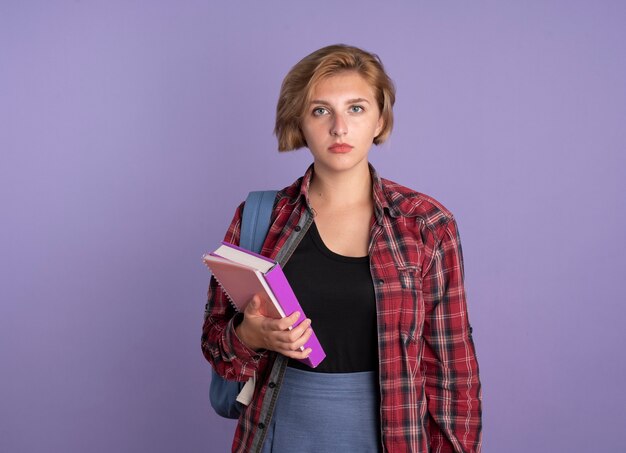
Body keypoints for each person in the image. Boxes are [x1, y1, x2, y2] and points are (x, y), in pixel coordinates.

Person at [202, 44, 482, 453]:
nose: (339, 127)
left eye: (356, 108)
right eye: (320, 110)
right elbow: (215, 343)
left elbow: (454, 372)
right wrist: (250, 334)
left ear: (380, 119)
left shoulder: (426, 225)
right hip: (277, 435)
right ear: (299, 120)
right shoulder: (259, 218)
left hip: (393, 437)